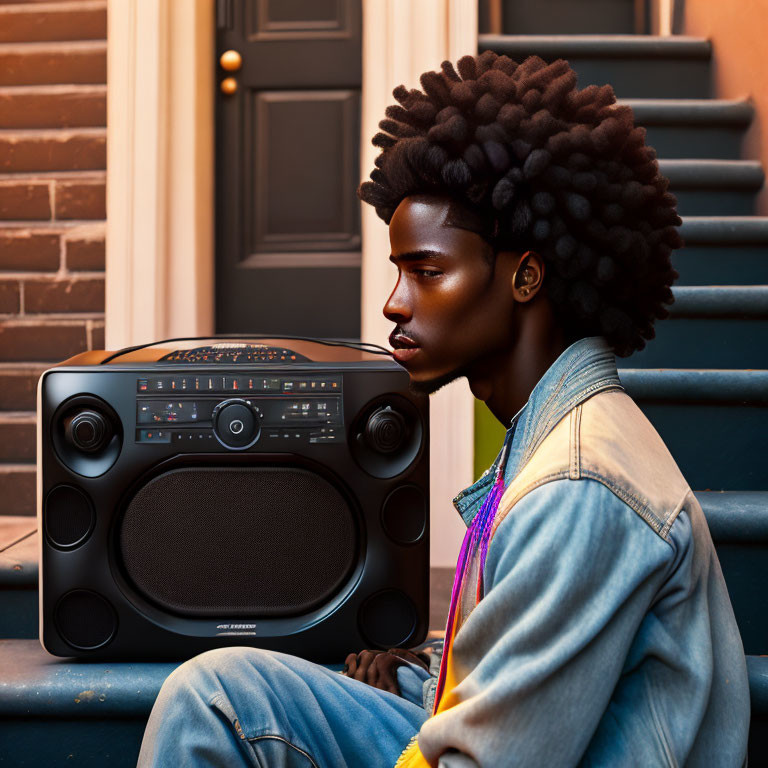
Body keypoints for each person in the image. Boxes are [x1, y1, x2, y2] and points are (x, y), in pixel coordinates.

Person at [137, 51, 750, 767]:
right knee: (220, 693)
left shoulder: (580, 488)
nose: (395, 303)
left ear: (524, 276)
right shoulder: (546, 438)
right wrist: (423, 676)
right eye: (400, 272)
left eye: (427, 271)